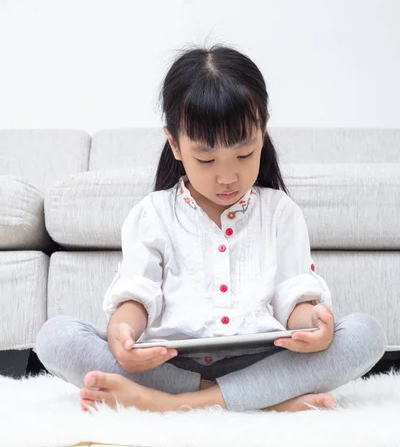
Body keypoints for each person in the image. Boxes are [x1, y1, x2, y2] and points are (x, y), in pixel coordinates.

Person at [35, 43, 387, 414]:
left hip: (261, 361)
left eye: (244, 154)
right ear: (174, 143)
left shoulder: (280, 211)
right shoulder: (152, 214)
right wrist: (123, 333)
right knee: (56, 337)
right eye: (205, 158)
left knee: (366, 333)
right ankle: (259, 400)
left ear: (263, 132)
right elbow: (137, 296)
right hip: (171, 365)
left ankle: (172, 404)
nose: (227, 176)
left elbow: (293, 297)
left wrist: (314, 325)